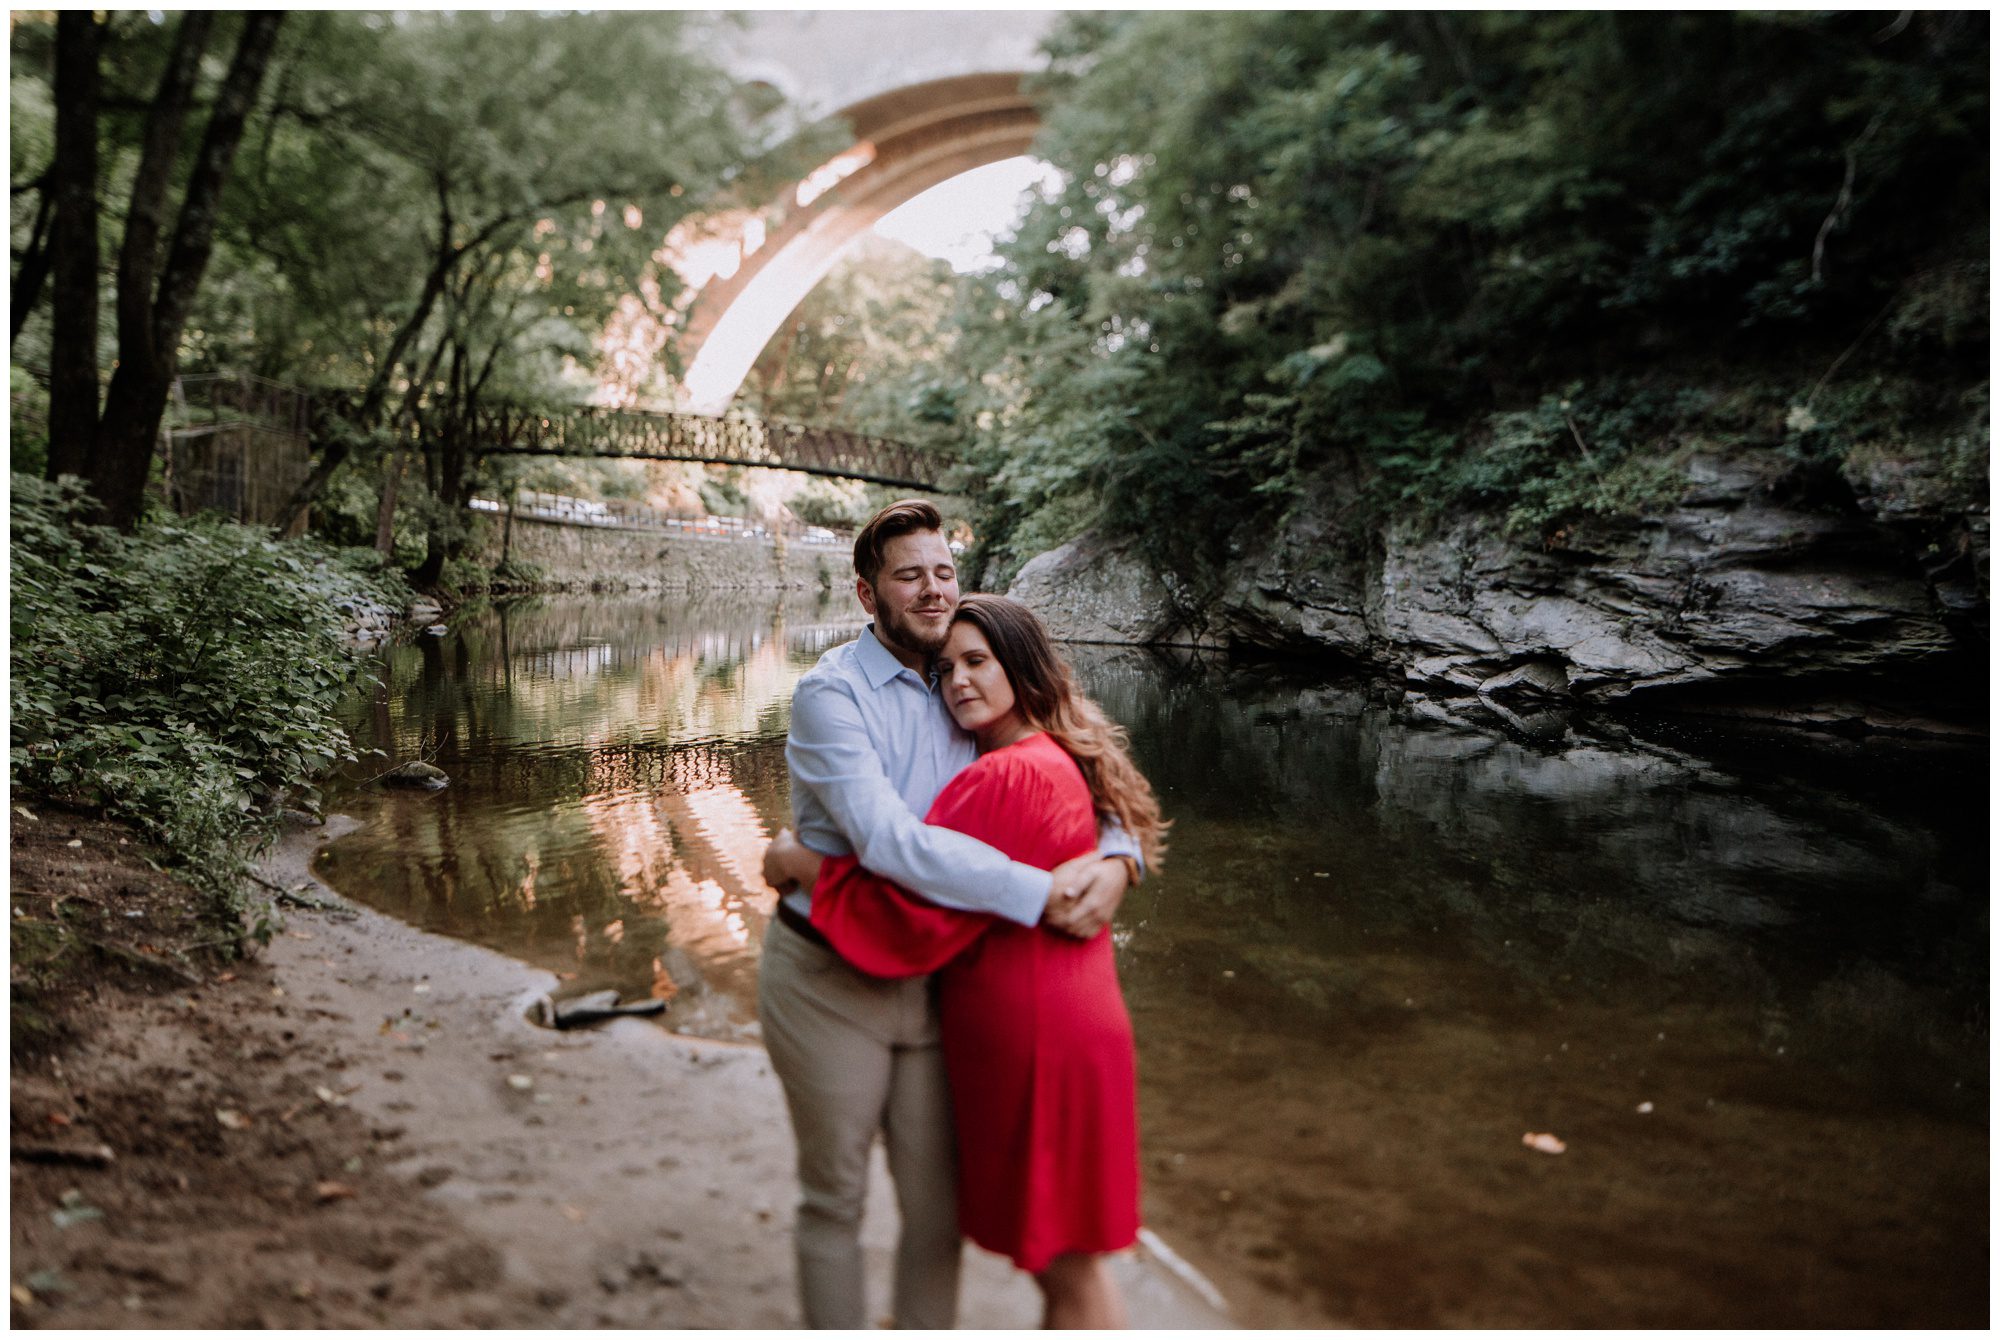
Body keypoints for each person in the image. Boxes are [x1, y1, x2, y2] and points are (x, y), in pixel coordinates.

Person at [757, 500, 1142, 1330]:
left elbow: (1071, 766)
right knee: (837, 1197)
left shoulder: (966, 686)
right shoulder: (833, 696)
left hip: (937, 984)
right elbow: (893, 845)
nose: (932, 592)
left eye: (943, 572)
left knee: (936, 1215)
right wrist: (1042, 893)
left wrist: (1119, 856)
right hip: (832, 975)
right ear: (869, 595)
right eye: (909, 577)